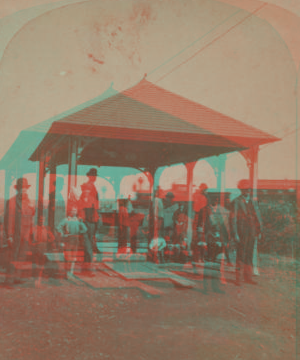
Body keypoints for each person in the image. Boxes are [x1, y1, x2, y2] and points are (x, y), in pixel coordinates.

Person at [4, 178, 35, 285]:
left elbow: (31, 217)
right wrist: (10, 236)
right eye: (22, 188)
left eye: (25, 188)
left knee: (22, 256)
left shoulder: (29, 201)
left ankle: (17, 278)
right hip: (15, 234)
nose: (24, 190)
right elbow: (9, 220)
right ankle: (9, 280)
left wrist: (31, 234)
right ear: (18, 189)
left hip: (25, 235)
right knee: (13, 256)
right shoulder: (12, 201)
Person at [230, 179, 262, 286]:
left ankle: (248, 277)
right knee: (241, 255)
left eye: (248, 189)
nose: (246, 191)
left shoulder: (253, 202)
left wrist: (259, 230)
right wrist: (235, 234)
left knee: (249, 255)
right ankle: (238, 279)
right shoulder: (236, 202)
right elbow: (233, 219)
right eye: (244, 189)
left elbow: (257, 217)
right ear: (241, 190)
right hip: (241, 233)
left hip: (252, 232)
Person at [57, 206, 88, 278]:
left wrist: (79, 232)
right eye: (73, 210)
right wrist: (63, 234)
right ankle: (66, 272)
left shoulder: (78, 220)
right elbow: (58, 228)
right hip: (68, 240)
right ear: (70, 211)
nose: (74, 212)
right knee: (68, 256)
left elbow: (85, 229)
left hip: (75, 240)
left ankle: (71, 272)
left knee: (74, 257)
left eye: (75, 210)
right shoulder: (66, 220)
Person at [31, 215, 55, 286]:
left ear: (44, 221)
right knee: (36, 265)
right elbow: (27, 237)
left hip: (44, 248)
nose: (41, 221)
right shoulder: (34, 228)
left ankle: (39, 281)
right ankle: (36, 281)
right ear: (38, 220)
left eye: (43, 220)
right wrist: (32, 244)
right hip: (36, 248)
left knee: (41, 265)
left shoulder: (46, 228)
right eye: (40, 220)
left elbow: (52, 238)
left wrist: (48, 241)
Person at [78, 183, 100, 262]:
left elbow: (95, 212)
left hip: (91, 223)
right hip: (84, 222)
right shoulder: (81, 198)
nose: (85, 191)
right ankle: (88, 259)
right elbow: (79, 210)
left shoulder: (92, 199)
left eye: (86, 190)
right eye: (83, 190)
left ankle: (88, 259)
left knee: (88, 240)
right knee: (86, 241)